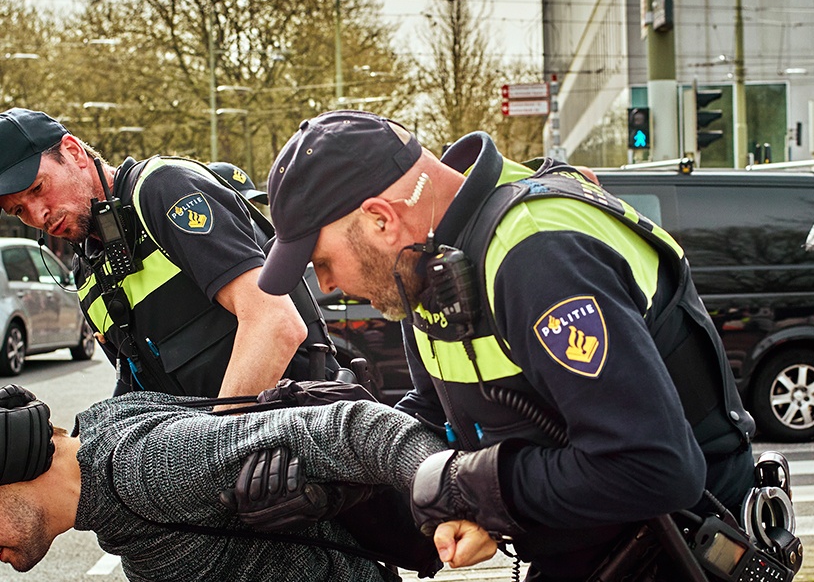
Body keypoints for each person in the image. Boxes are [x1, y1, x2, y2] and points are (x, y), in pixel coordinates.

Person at [256, 110, 757, 581]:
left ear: (381, 219)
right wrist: (331, 469)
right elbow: (438, 421)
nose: (325, 284)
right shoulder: (432, 265)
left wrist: (470, 488)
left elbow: (655, 468)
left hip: (678, 552)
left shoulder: (537, 254)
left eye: (321, 260)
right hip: (590, 552)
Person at [0, 383, 495, 580]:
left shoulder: (148, 471)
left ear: (12, 462)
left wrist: (450, 492)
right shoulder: (105, 431)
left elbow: (357, 428)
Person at [0, 109, 334, 398]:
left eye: (38, 188)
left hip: (293, 431)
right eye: (18, 210)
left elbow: (275, 323)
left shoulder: (164, 190)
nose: (37, 215)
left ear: (73, 152)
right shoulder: (86, 278)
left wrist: (213, 446)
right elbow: (136, 386)